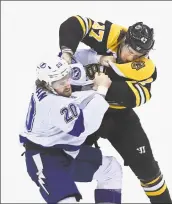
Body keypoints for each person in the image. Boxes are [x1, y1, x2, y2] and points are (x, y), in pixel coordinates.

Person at [58, 15, 172, 203]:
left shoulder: (146, 68)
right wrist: (67, 53)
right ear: (125, 39)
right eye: (129, 50)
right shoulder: (114, 34)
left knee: (148, 170)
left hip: (118, 118)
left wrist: (104, 82)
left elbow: (135, 97)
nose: (130, 57)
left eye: (138, 55)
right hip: (86, 112)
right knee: (60, 161)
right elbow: (74, 23)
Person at [19, 55, 123, 203]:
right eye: (60, 83)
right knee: (68, 200)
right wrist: (101, 89)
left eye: (67, 77)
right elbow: (84, 126)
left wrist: (98, 59)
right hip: (43, 158)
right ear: (47, 85)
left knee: (110, 169)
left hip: (65, 151)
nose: (67, 84)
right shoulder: (52, 103)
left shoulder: (48, 88)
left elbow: (72, 98)